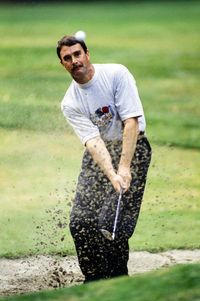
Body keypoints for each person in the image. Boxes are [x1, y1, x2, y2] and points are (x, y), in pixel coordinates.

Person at [56, 35, 152, 282]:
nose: (74, 61)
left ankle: (117, 282)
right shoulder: (70, 102)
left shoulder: (116, 74)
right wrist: (111, 174)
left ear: (87, 54)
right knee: (80, 222)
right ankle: (94, 281)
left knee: (111, 223)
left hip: (134, 148)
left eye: (77, 54)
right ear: (62, 64)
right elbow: (93, 141)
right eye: (67, 58)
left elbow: (131, 121)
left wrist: (124, 168)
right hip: (100, 154)